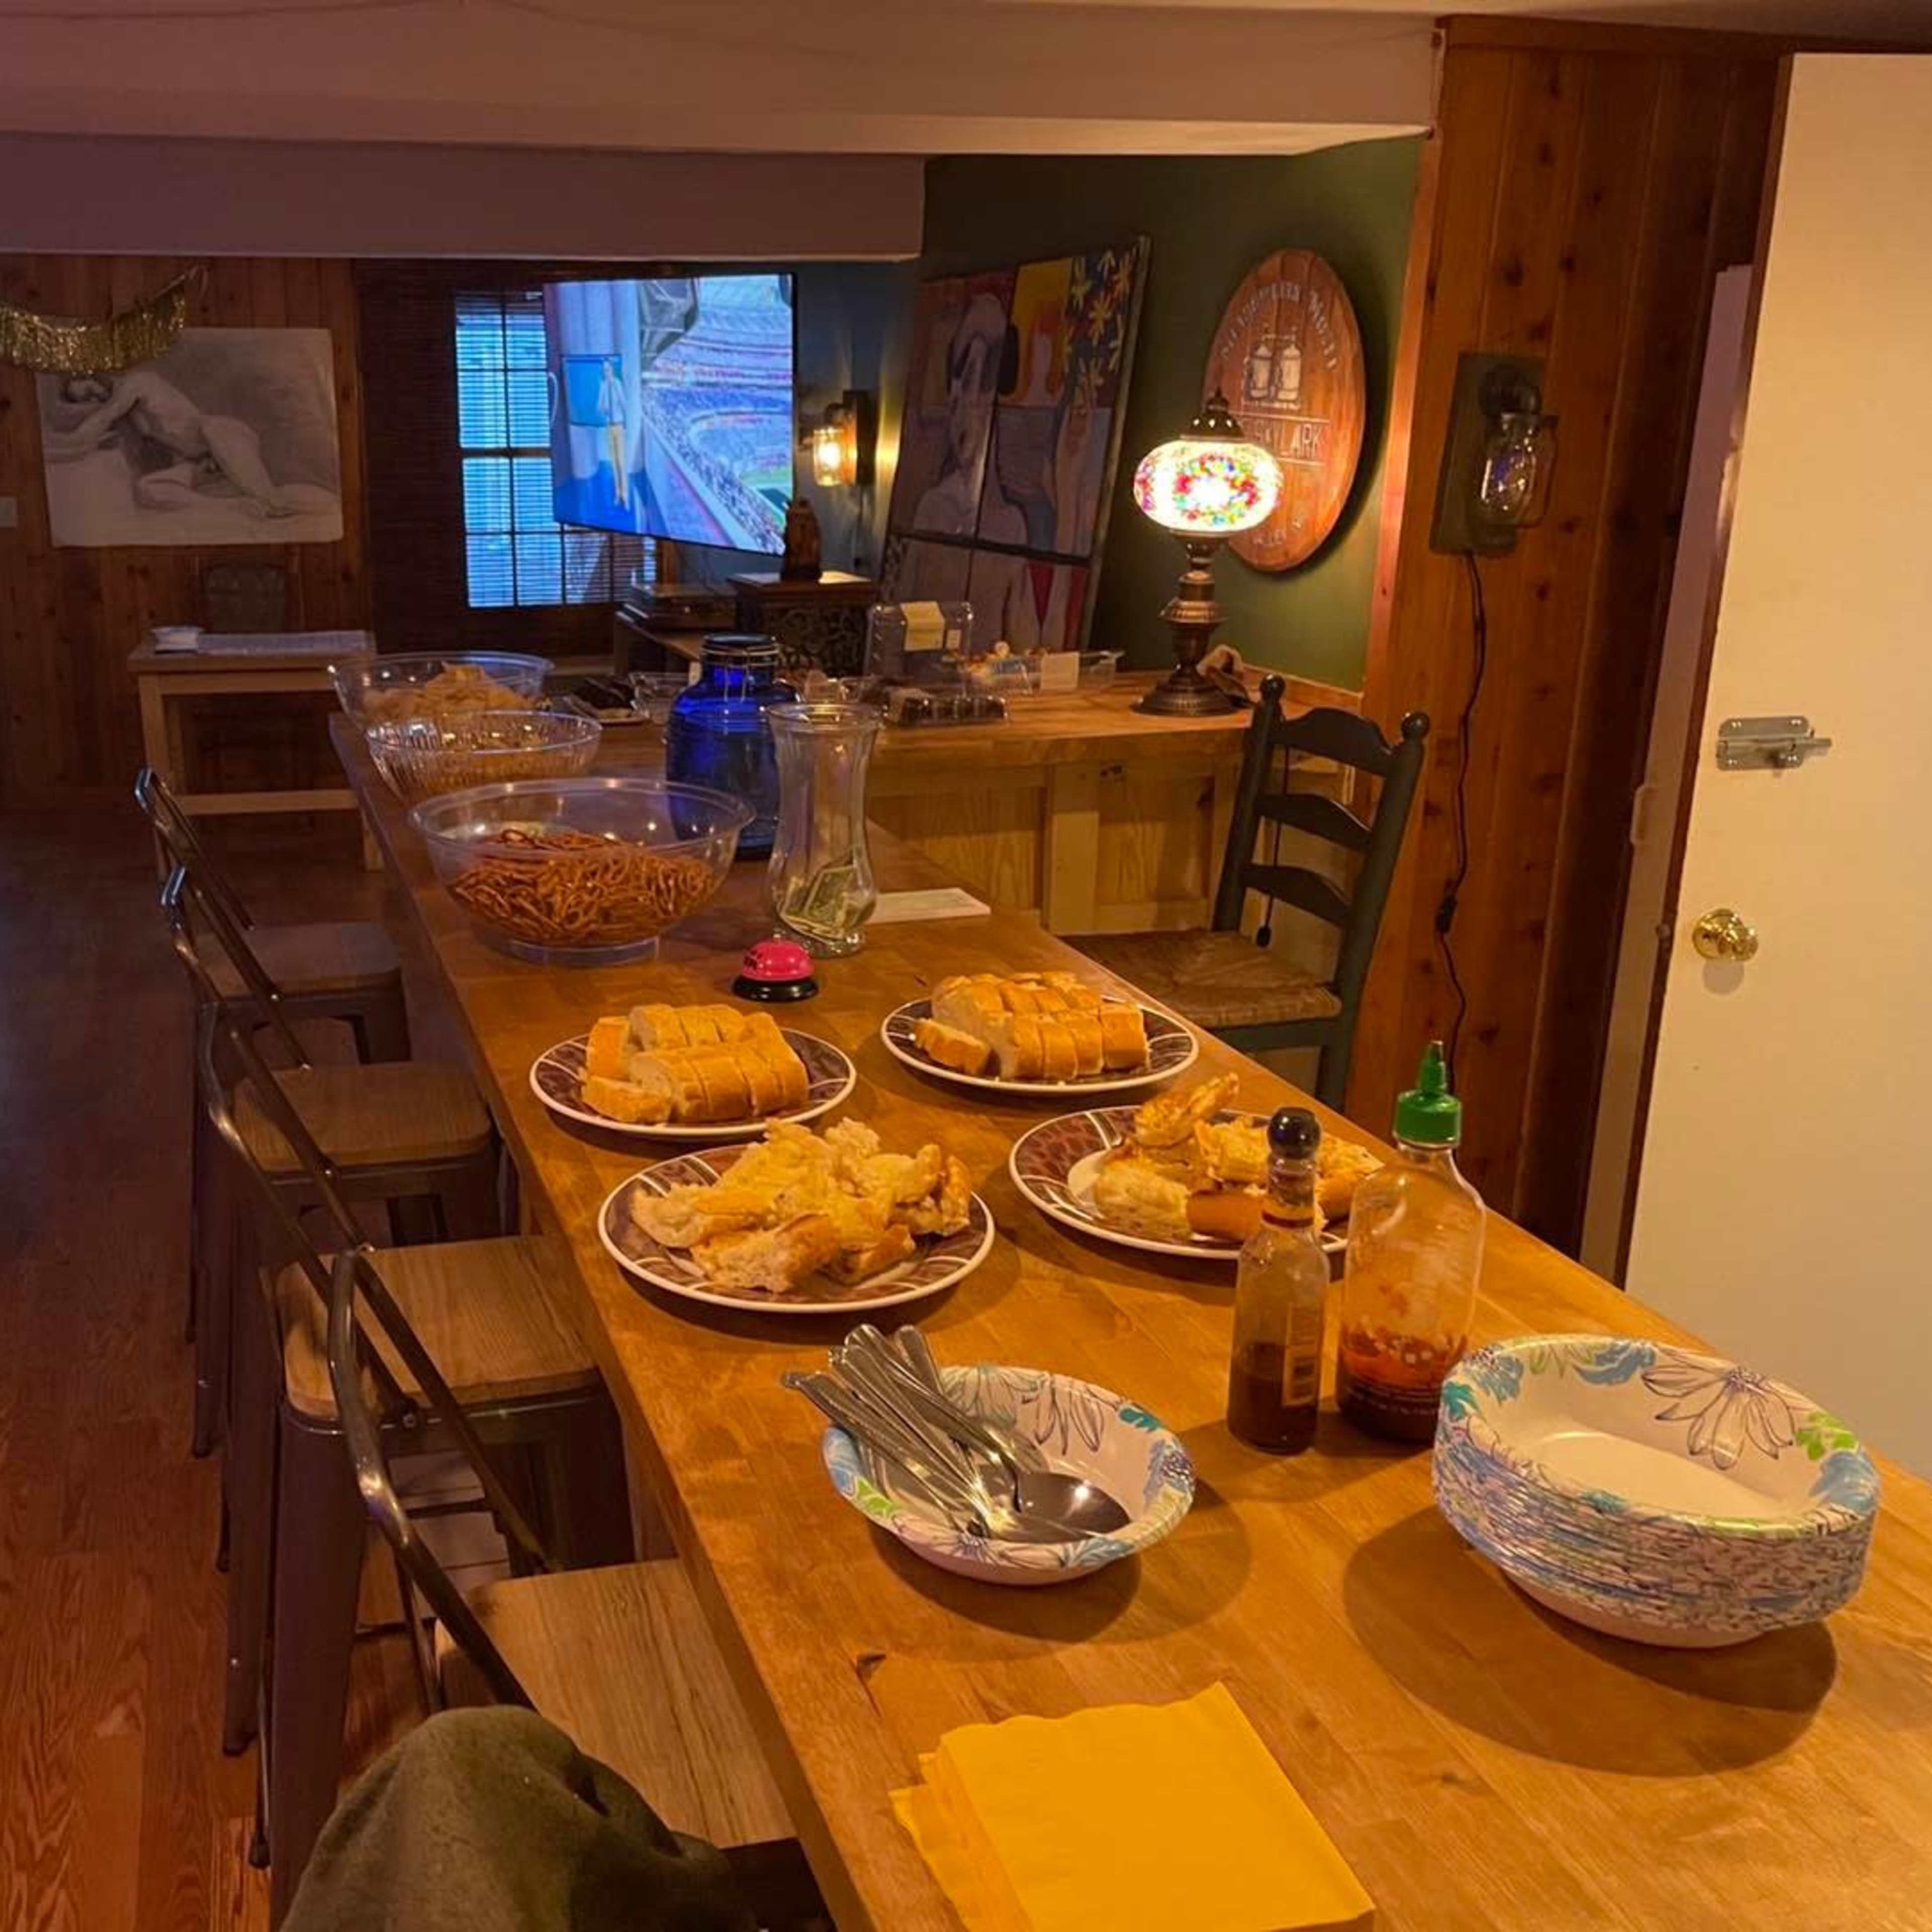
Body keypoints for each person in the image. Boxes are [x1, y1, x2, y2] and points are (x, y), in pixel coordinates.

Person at [45, 368, 301, 518]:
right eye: (85, 400)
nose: (94, 401)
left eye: (91, 392)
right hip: (201, 461)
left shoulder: (136, 382)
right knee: (147, 489)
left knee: (212, 428)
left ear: (99, 378)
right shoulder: (126, 419)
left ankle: (270, 500)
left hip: (226, 435)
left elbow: (101, 419)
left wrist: (64, 443)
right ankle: (234, 508)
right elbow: (101, 433)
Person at [912, 289, 1006, 536]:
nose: (968, 406)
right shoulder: (933, 507)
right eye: (964, 383)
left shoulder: (1010, 523)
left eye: (984, 382)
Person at [596, 356, 631, 511]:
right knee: (614, 463)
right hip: (609, 427)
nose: (607, 373)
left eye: (609, 370)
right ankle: (618, 494)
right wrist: (603, 404)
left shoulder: (618, 384)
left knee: (622, 462)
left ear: (612, 371)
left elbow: (624, 405)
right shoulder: (603, 387)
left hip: (619, 426)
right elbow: (599, 408)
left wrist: (626, 425)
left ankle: (626, 496)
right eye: (605, 371)